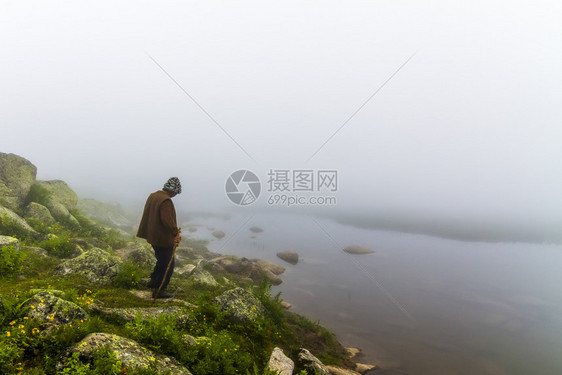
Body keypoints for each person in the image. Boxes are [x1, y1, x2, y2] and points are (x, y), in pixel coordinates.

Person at [136, 177, 182, 298]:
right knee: (168, 264)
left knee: (162, 260)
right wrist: (175, 232)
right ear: (173, 191)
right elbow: (166, 220)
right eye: (176, 193)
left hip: (153, 236)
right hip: (161, 238)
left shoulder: (154, 195)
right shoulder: (166, 200)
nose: (175, 195)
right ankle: (159, 289)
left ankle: (153, 281)